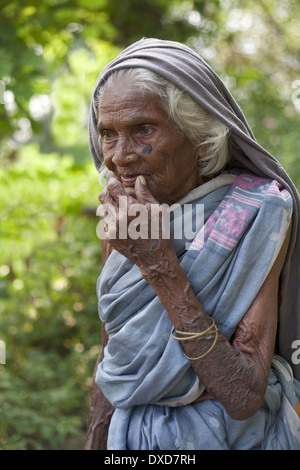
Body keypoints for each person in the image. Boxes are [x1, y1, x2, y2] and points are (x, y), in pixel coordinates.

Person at [85, 38, 300, 450]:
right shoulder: (125, 216)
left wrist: (160, 264)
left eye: (143, 129)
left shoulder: (258, 210)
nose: (120, 157)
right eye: (108, 135)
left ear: (199, 134)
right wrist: (96, 440)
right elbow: (112, 350)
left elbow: (242, 395)